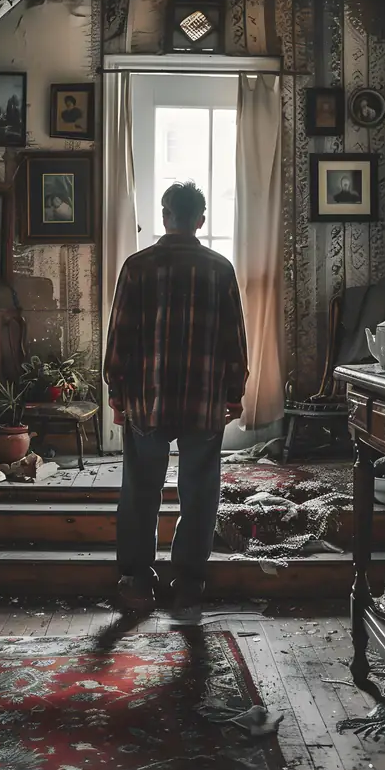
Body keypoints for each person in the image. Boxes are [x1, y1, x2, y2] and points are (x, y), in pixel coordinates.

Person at [104, 181, 248, 622]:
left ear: (165, 215)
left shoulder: (137, 266)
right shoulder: (219, 269)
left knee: (140, 490)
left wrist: (116, 392)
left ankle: (136, 581)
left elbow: (120, 336)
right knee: (200, 492)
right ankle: (187, 582)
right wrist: (234, 393)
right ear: (200, 220)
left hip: (147, 399)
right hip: (203, 402)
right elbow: (234, 339)